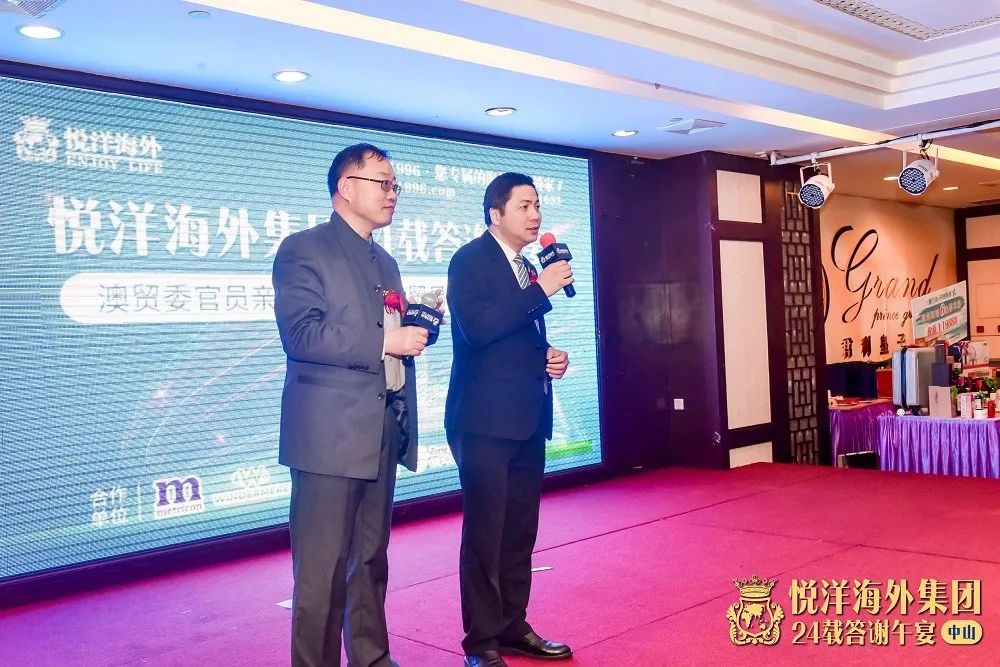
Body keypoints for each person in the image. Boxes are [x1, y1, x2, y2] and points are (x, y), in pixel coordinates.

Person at [272, 143, 429, 667]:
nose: (392, 193)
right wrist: (386, 341)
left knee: (370, 561)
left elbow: (385, 335)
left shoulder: (385, 261)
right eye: (382, 183)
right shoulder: (304, 249)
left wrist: (414, 331)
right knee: (321, 573)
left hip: (380, 427)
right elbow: (302, 335)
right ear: (345, 186)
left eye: (394, 185)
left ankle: (371, 658)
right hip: (329, 438)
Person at [444, 172, 575, 667]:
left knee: (520, 530)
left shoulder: (525, 266)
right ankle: (480, 641)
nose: (535, 214)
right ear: (494, 214)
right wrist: (541, 289)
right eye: (524, 206)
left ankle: (512, 626)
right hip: (483, 422)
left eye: (537, 205)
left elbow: (514, 335)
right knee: (486, 533)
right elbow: (478, 330)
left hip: (526, 417)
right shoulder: (469, 260)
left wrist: (548, 355)